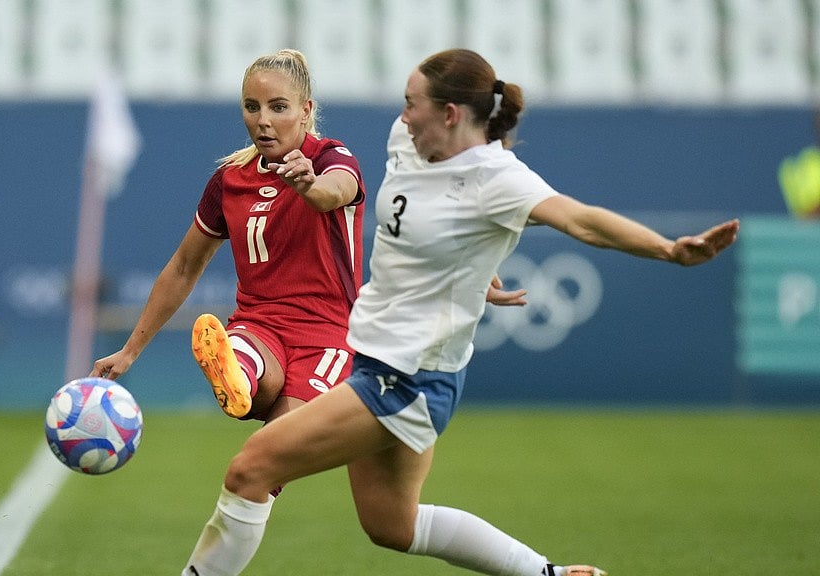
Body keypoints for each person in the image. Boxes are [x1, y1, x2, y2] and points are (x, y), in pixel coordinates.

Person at [179, 49, 740, 576]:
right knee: (392, 526)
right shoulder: (407, 140)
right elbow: (429, 231)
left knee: (251, 470)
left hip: (408, 377)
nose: (401, 115)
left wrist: (667, 249)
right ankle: (547, 572)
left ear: (448, 114)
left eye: (411, 103)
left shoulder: (498, 181)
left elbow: (582, 219)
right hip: (389, 366)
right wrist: (470, 266)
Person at [89, 49, 366, 423]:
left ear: (306, 109)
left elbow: (335, 192)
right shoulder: (231, 180)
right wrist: (130, 350)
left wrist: (309, 185)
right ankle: (237, 371)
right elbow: (185, 266)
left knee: (262, 464)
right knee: (245, 359)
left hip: (325, 334)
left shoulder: (330, 158)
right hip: (258, 326)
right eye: (252, 107)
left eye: (278, 107)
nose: (263, 120)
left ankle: (242, 377)